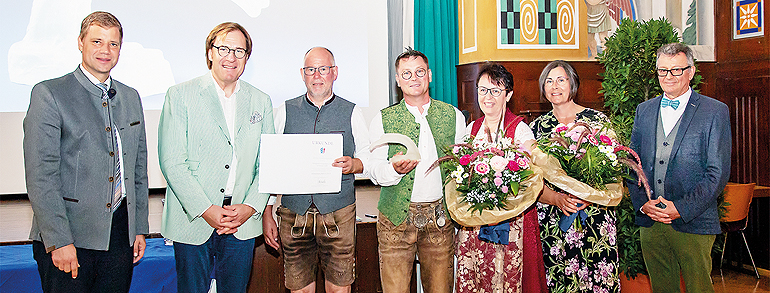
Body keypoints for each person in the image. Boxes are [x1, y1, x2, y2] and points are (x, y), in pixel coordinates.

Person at [23, 11, 148, 292]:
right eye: (97, 41)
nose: (105, 50)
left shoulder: (130, 97)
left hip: (119, 238)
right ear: (80, 43)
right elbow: (41, 176)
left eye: (113, 44)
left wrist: (139, 228)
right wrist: (59, 241)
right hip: (70, 239)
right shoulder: (49, 94)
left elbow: (138, 169)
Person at [158, 22, 274, 293]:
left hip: (241, 220)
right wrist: (207, 210)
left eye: (239, 51)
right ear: (210, 52)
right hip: (194, 217)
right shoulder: (180, 95)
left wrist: (250, 207)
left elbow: (268, 163)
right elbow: (172, 161)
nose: (231, 57)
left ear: (247, 58)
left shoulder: (261, 101)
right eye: (223, 48)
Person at [261, 47, 370, 293]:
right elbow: (271, 165)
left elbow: (369, 157)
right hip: (293, 214)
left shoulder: (352, 111)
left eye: (324, 69)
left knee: (339, 288)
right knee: (299, 289)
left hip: (338, 213)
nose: (317, 75)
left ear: (335, 73)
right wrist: (267, 212)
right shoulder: (285, 111)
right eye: (311, 70)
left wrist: (355, 164)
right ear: (302, 74)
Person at [628, 43, 730, 293]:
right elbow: (632, 163)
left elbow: (717, 173)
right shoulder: (645, 110)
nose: (668, 77)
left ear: (691, 72)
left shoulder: (714, 111)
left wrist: (681, 208)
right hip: (651, 221)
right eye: (662, 71)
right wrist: (643, 203)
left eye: (676, 70)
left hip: (693, 221)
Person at [368, 48, 465, 293]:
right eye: (407, 74)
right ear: (398, 80)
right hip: (395, 219)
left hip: (440, 219)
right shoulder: (382, 118)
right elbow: (372, 168)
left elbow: (462, 166)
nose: (414, 78)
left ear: (429, 75)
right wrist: (394, 169)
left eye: (419, 72)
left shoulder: (453, 115)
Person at [455, 62, 548, 293]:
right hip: (475, 223)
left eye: (496, 90)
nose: (488, 97)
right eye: (483, 90)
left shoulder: (520, 130)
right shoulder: (471, 130)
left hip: (511, 223)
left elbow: (534, 172)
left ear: (508, 95)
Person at [529, 60, 619, 293]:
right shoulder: (537, 128)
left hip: (595, 215)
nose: (554, 86)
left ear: (573, 84)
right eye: (549, 81)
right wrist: (556, 198)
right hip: (554, 216)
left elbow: (613, 168)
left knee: (598, 280)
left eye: (561, 80)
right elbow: (530, 178)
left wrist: (591, 195)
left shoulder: (597, 122)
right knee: (561, 281)